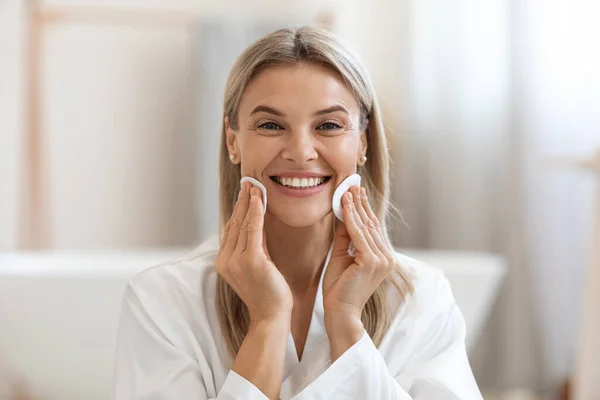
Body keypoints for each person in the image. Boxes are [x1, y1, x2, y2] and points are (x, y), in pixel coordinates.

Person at [113, 26, 483, 400]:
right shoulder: (162, 302)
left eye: (329, 125)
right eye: (271, 125)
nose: (301, 151)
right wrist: (268, 321)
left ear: (362, 142)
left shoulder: (421, 298)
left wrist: (347, 326)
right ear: (232, 141)